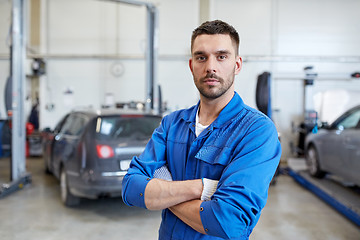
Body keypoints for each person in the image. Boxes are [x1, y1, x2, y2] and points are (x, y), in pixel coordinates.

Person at [122, 20, 281, 240]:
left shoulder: (257, 131)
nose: (210, 67)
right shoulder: (171, 124)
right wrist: (204, 188)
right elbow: (131, 188)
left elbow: (228, 222)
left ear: (237, 65)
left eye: (222, 56)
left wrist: (165, 192)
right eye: (201, 57)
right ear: (191, 65)